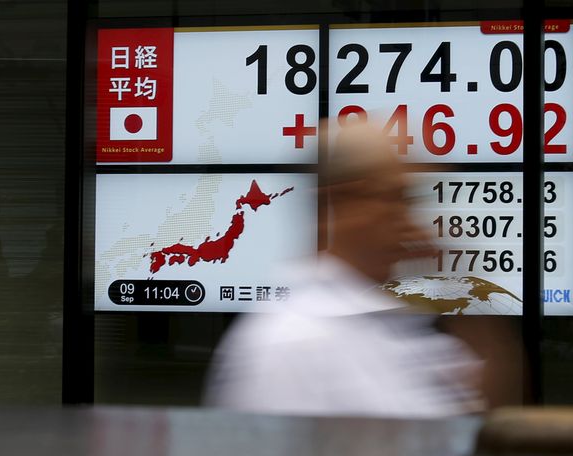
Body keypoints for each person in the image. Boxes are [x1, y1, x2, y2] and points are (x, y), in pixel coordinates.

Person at [205, 121, 506, 417]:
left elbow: (479, 418)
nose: (407, 217)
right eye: (391, 197)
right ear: (337, 202)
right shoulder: (290, 345)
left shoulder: (397, 318)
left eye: (409, 200)